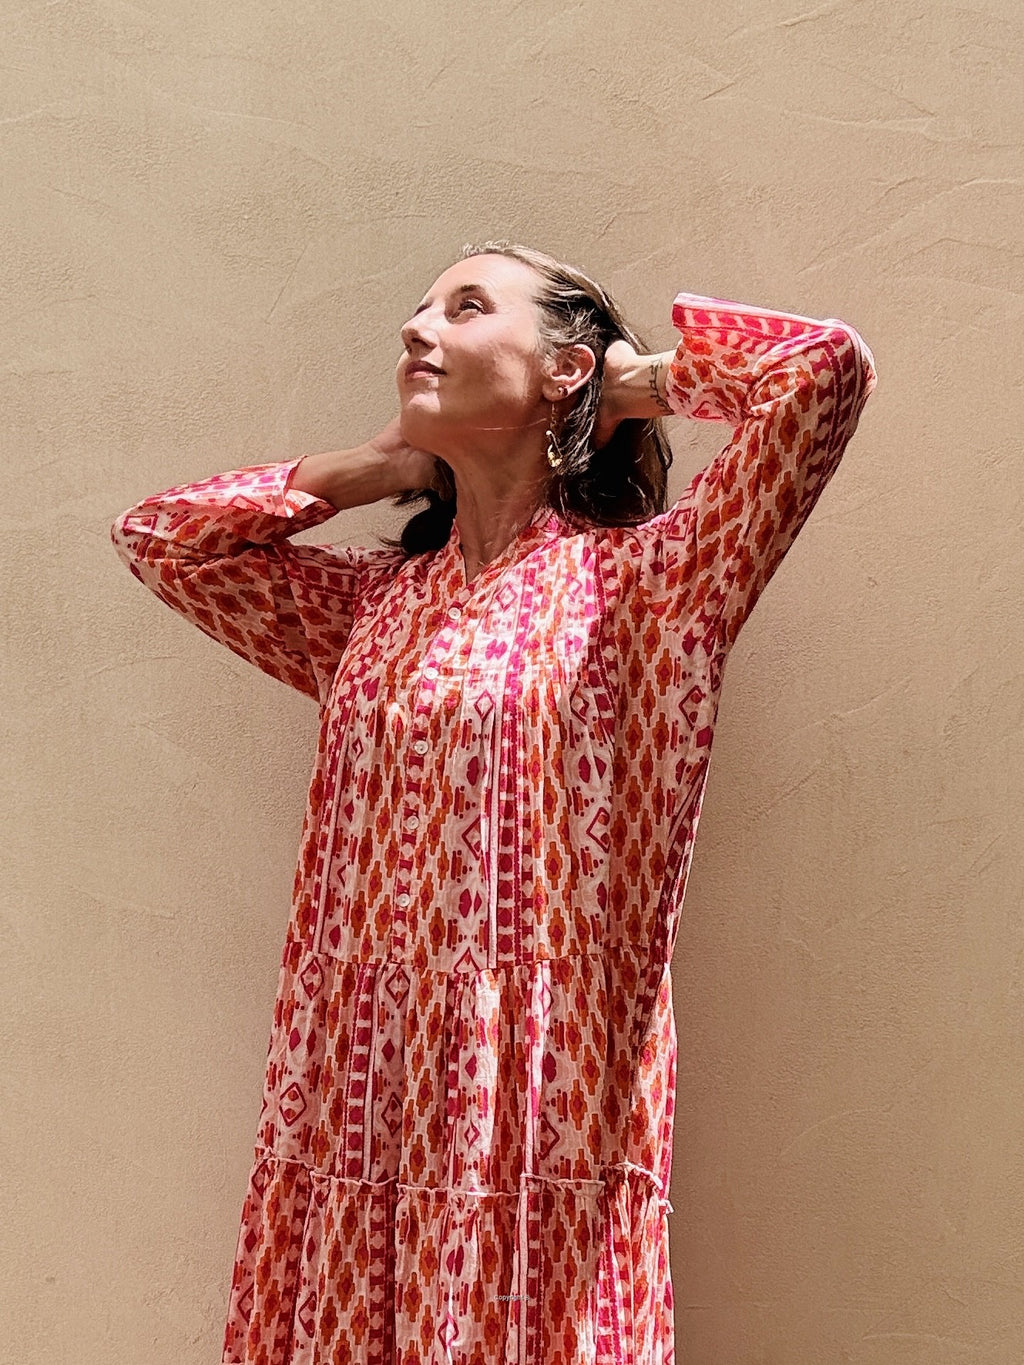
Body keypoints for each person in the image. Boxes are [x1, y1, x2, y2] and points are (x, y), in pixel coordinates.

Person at [111, 239, 877, 1365]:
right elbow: (159, 540)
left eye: (465, 307)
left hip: (540, 1093)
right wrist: (376, 470)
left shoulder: (657, 590)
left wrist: (632, 382)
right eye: (417, 308)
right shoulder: (371, 608)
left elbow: (824, 372)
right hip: (355, 1080)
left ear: (564, 366)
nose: (418, 328)